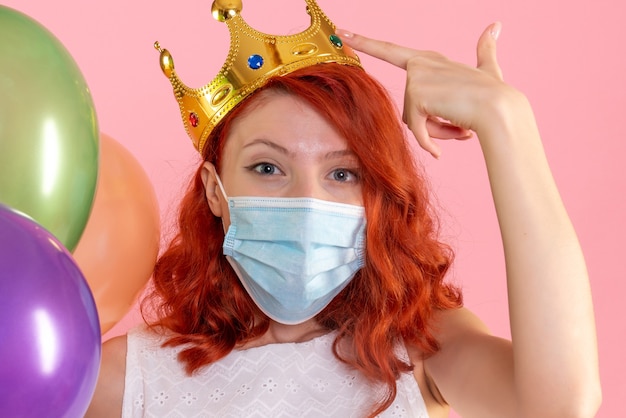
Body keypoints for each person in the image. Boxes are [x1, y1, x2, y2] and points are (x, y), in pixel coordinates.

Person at [86, 1, 601, 417]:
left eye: (342, 173)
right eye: (268, 168)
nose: (305, 201)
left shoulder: (424, 349)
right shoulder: (122, 380)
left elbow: (560, 405)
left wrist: (505, 121)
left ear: (375, 194)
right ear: (216, 191)